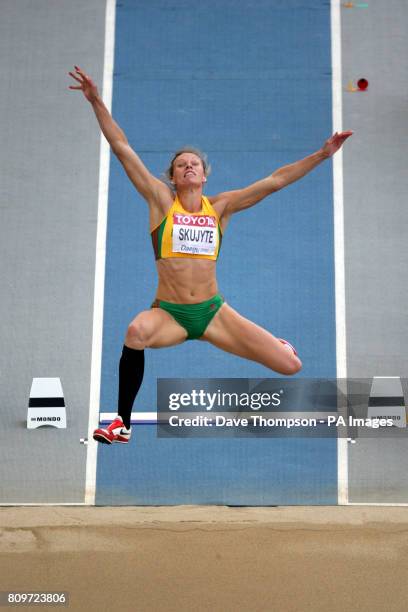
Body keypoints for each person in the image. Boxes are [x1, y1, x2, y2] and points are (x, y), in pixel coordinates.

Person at [69, 65, 353, 445]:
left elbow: (276, 180)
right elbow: (122, 147)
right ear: (172, 176)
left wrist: (322, 154)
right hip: (170, 314)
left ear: (205, 176)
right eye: (181, 164)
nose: (188, 167)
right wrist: (96, 101)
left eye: (195, 164)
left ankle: (278, 343)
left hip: (213, 313)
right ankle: (121, 422)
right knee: (136, 331)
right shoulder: (160, 201)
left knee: (290, 366)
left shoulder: (220, 208)